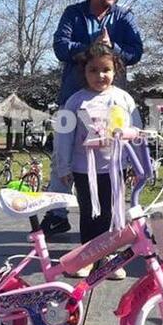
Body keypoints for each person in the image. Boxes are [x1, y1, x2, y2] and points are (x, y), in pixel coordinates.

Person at [40, 0, 143, 238]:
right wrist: (93, 49)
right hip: (71, 99)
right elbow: (61, 47)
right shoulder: (73, 13)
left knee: (110, 158)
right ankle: (57, 214)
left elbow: (137, 51)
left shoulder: (124, 17)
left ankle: (111, 225)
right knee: (62, 155)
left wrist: (114, 49)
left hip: (111, 106)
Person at [54, 43, 141, 279]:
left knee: (114, 214)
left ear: (116, 71)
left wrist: (137, 163)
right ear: (83, 72)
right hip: (84, 170)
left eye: (106, 70)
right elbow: (64, 137)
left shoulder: (123, 99)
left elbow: (136, 131)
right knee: (90, 214)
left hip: (116, 168)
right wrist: (64, 166)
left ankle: (109, 257)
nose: (100, 76)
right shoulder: (75, 101)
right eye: (93, 70)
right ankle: (88, 258)